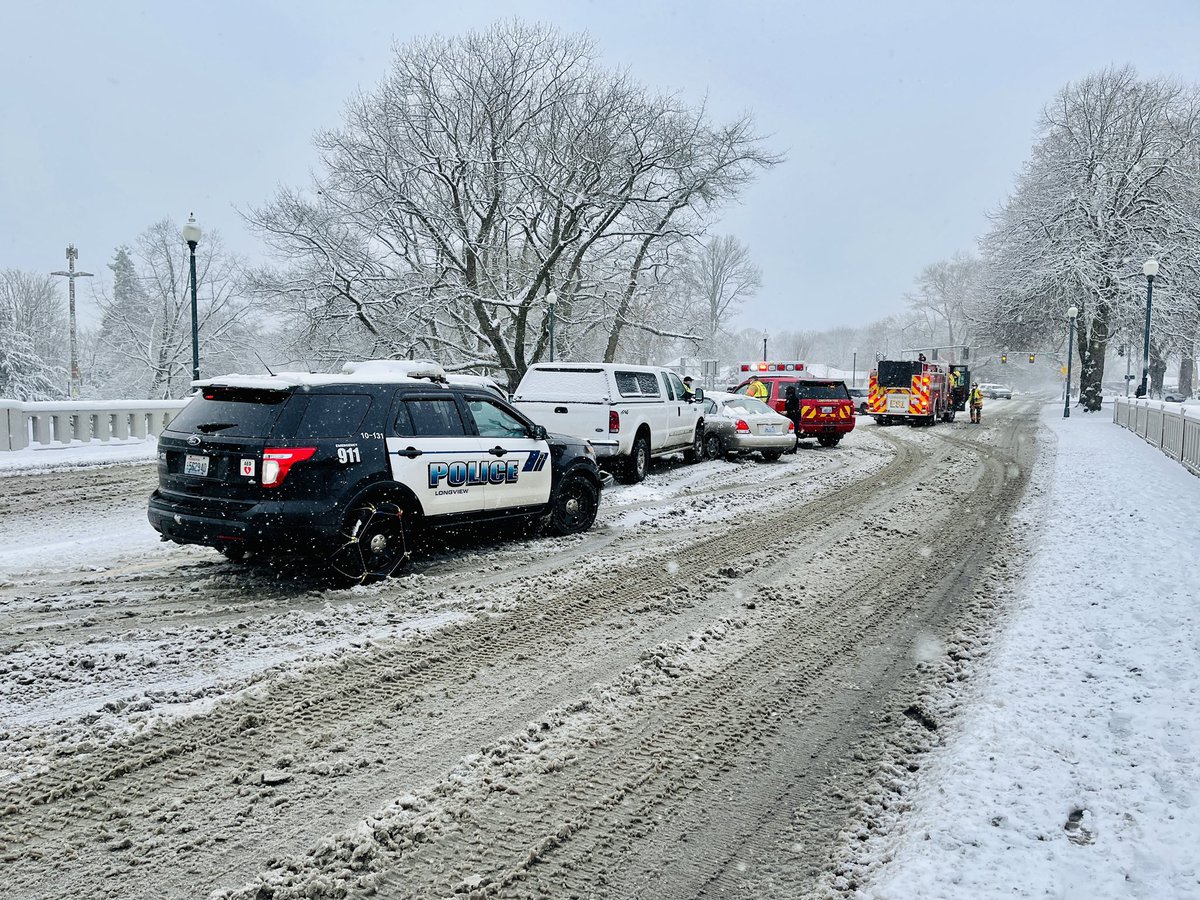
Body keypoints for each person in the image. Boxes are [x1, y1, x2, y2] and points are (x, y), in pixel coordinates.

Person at [784, 384, 800, 453]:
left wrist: (788, 412)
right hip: (791, 417)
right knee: (791, 433)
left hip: (794, 418)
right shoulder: (789, 398)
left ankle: (793, 449)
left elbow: (794, 409)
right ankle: (791, 449)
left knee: (794, 433)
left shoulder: (794, 398)